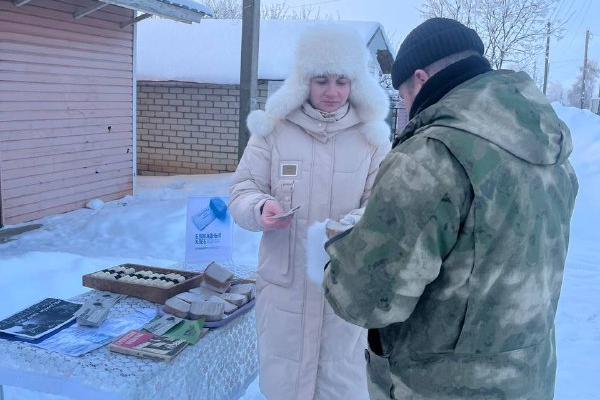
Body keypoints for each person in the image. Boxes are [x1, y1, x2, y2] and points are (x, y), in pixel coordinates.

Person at [322, 17, 579, 400]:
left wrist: (344, 251)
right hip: (527, 380)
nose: (406, 107)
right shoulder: (550, 151)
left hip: (439, 385)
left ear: (421, 79)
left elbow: (364, 299)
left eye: (404, 96)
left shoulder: (431, 157)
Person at [228, 25, 392, 400]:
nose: (332, 91)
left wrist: (346, 231)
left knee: (339, 385)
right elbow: (242, 189)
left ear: (355, 83)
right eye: (322, 80)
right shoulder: (273, 131)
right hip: (285, 289)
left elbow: (383, 206)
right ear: (304, 80)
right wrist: (260, 208)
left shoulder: (372, 140)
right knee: (286, 386)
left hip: (345, 290)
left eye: (341, 81)